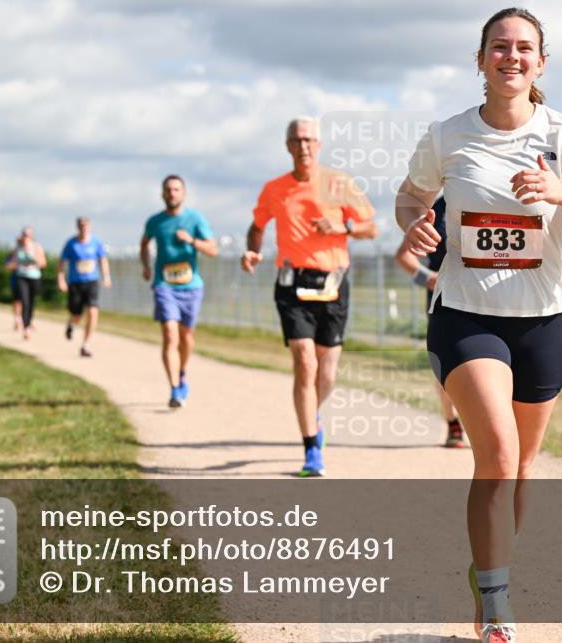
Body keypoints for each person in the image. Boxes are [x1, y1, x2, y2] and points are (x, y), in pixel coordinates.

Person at [396, 8, 562, 642]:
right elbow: (410, 196)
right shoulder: (447, 135)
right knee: (498, 457)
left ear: (541, 63)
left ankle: (488, 571)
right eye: (499, 47)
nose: (511, 56)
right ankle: (497, 607)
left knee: (523, 467)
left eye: (524, 48)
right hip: (467, 314)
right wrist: (413, 224)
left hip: (543, 321)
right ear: (480, 61)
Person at [241, 116, 377, 477]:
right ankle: (311, 448)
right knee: (305, 362)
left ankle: (312, 412)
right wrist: (253, 251)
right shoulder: (274, 189)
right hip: (292, 283)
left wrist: (342, 226)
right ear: (288, 146)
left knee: (326, 371)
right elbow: (257, 226)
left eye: (309, 140)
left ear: (319, 145)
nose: (304, 146)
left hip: (333, 283)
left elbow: (371, 228)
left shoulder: (338, 183)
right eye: (297, 140)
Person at [394, 195, 465, 448]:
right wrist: (428, 279)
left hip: (489, 298)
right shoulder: (436, 209)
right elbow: (403, 256)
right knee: (446, 365)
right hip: (444, 300)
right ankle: (452, 421)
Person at [141, 175, 218, 408]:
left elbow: (213, 249)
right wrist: (146, 265)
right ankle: (175, 389)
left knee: (186, 338)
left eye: (176, 189)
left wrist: (192, 241)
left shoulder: (195, 218)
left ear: (183, 194)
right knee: (169, 335)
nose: (172, 193)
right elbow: (144, 244)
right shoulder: (155, 221)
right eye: (168, 189)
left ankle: (181, 371)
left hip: (191, 286)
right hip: (164, 285)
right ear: (162, 194)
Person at [58, 217, 112, 357]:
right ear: (77, 227)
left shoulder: (96, 242)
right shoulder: (71, 243)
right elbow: (62, 261)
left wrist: (106, 277)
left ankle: (86, 345)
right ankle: (71, 324)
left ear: (90, 226)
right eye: (81, 225)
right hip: (75, 282)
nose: (84, 227)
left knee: (93, 311)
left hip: (92, 281)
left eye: (86, 225)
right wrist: (61, 279)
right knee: (77, 314)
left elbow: (103, 259)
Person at [6, 227, 47, 340]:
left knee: (31, 302)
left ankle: (29, 321)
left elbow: (43, 263)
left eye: (28, 234)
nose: (26, 236)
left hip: (34, 277)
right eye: (24, 234)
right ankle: (26, 328)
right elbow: (10, 264)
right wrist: (15, 263)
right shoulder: (17, 248)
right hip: (21, 277)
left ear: (32, 236)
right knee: (24, 301)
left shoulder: (37, 247)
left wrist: (32, 255)